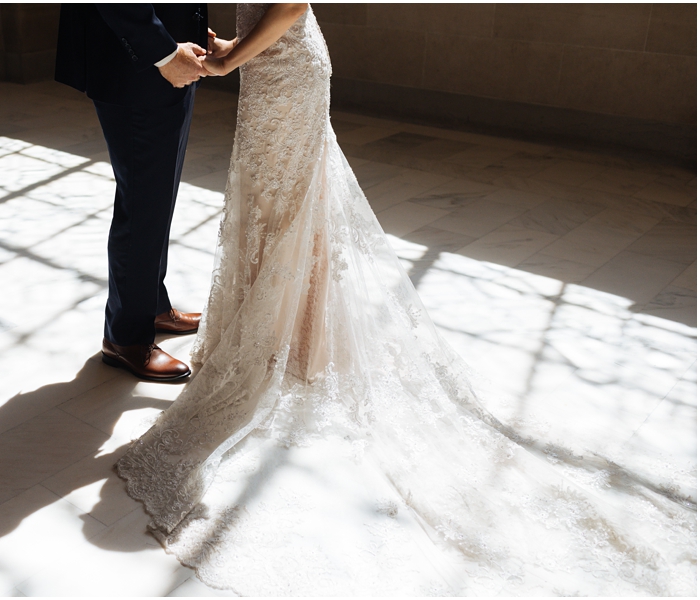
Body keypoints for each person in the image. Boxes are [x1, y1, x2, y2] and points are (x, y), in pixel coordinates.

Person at [115, 4, 696, 596]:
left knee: (287, 208)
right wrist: (239, 46)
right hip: (268, 68)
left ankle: (297, 347)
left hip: (286, 73)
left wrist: (234, 57)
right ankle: (290, 343)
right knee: (273, 207)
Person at [55, 4, 229, 381]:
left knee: (155, 198)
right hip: (136, 62)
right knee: (143, 203)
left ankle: (150, 306)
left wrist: (187, 28)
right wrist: (163, 51)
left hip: (159, 52)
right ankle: (126, 338)